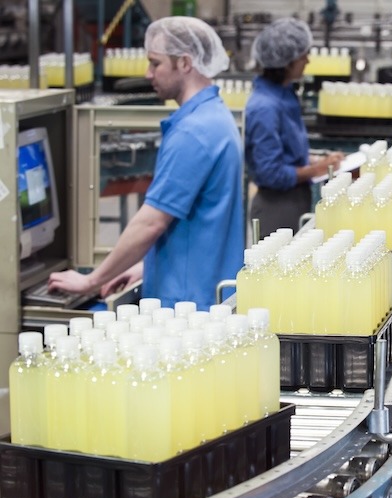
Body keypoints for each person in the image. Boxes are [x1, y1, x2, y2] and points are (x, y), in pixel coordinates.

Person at [48, 17, 244, 310]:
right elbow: (197, 219)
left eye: (156, 63)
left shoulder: (194, 132)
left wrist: (91, 281)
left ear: (185, 63)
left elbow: (151, 222)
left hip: (187, 305)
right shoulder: (215, 116)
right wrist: (147, 266)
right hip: (204, 286)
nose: (148, 73)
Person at [245, 17, 344, 239]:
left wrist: (317, 160)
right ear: (285, 62)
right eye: (303, 56)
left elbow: (289, 152)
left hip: (295, 199)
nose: (308, 60)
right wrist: (317, 170)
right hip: (276, 206)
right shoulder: (264, 107)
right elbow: (270, 173)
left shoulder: (285, 94)